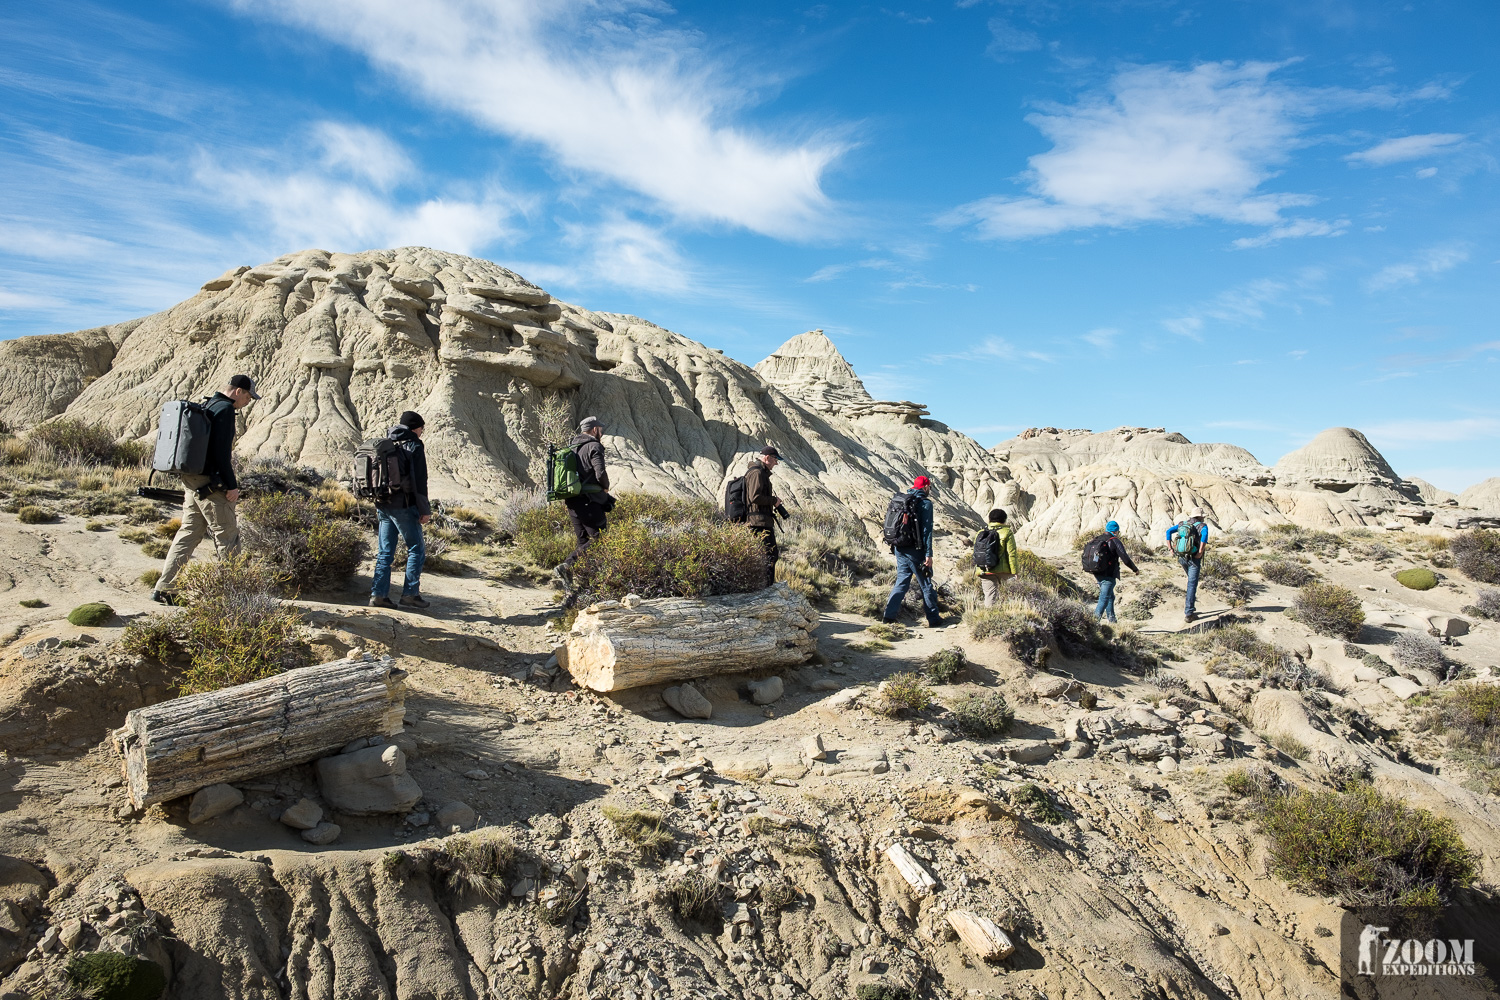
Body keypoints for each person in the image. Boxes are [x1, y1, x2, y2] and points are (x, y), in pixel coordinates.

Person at [152, 374, 259, 604]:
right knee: (228, 536)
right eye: (249, 396)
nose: (249, 401)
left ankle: (165, 588)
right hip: (210, 484)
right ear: (238, 391)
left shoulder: (208, 403)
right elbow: (221, 454)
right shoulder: (226, 409)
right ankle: (232, 595)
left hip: (192, 480)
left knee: (189, 533)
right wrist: (232, 486)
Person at [370, 411, 431, 610]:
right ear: (415, 427)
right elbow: (419, 481)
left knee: (385, 552)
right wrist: (424, 510)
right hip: (403, 505)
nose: (422, 432)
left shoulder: (389, 443)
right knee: (416, 549)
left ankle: (378, 595)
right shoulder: (413, 444)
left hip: (383, 503)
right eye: (422, 428)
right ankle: (410, 594)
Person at [555, 416, 611, 597]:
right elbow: (600, 471)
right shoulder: (594, 446)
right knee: (598, 539)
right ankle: (568, 566)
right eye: (600, 429)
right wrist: (605, 487)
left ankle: (577, 590)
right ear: (595, 429)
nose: (601, 431)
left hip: (572, 499)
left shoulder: (572, 447)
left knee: (583, 543)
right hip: (590, 499)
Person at [883, 475, 943, 627]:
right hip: (916, 551)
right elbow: (927, 531)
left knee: (901, 583)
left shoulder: (904, 500)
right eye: (929, 487)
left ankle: (888, 617)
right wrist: (928, 554)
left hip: (899, 548)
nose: (930, 489)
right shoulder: (925, 504)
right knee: (926, 583)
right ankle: (934, 619)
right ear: (925, 487)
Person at [743, 446, 787, 589]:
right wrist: (773, 501)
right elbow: (755, 497)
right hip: (759, 523)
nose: (776, 463)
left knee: (767, 556)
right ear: (767, 457)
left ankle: (762, 587)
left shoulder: (759, 472)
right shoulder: (757, 473)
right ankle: (766, 589)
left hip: (760, 522)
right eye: (775, 459)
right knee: (770, 556)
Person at [1166, 507, 1210, 622]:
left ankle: (1191, 607)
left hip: (1181, 557)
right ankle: (1189, 613)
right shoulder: (1202, 526)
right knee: (1192, 584)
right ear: (1200, 517)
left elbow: (1168, 532)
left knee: (1191, 581)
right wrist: (1200, 552)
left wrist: (1171, 549)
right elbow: (1204, 538)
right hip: (1194, 558)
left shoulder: (1182, 524)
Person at [1091, 520, 1139, 623]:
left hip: (1097, 572)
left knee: (1110, 596)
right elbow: (1125, 558)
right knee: (1104, 598)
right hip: (1108, 573)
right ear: (1116, 531)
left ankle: (1112, 620)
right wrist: (1135, 569)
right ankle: (1093, 623)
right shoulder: (1114, 540)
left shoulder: (1097, 539)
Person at [974, 509, 1019, 608]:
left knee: (989, 596)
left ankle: (988, 619)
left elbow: (977, 552)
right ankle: (1008, 618)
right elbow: (1011, 554)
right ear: (1004, 520)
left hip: (984, 569)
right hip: (1004, 571)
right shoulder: (1007, 532)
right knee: (1011, 596)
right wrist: (1014, 572)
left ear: (989, 520)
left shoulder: (980, 533)